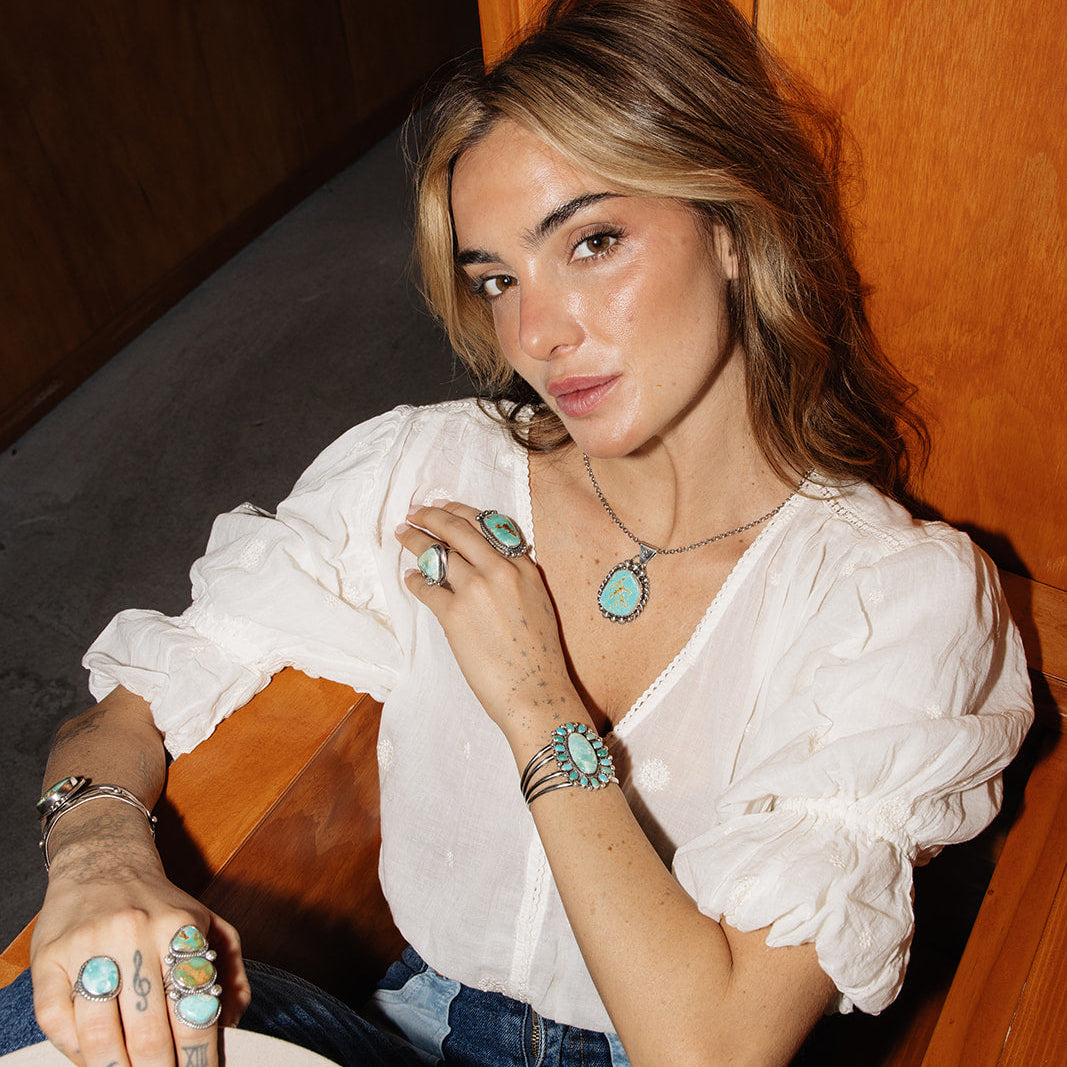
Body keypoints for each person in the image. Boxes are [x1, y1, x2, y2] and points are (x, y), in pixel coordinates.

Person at [1, 0, 1033, 1064]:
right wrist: (95, 847)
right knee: (40, 1016)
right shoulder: (425, 469)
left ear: (729, 226)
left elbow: (712, 1045)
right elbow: (135, 699)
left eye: (590, 242)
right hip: (408, 1026)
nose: (537, 332)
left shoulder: (886, 596)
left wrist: (536, 701)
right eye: (497, 278)